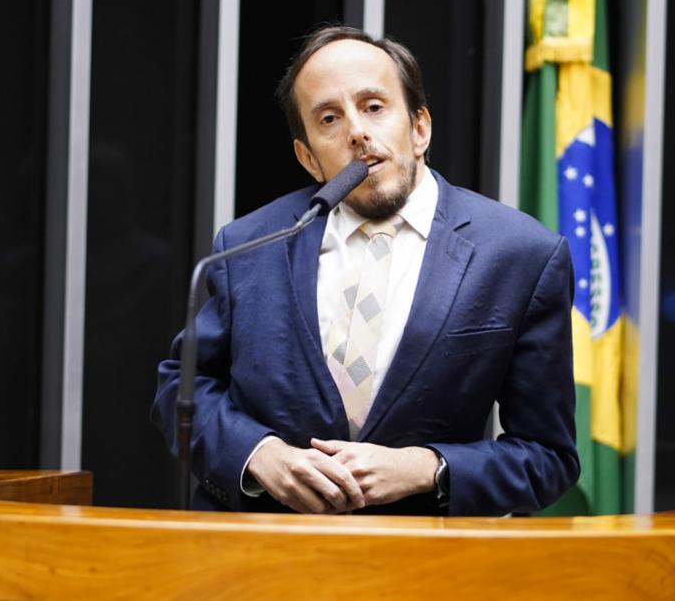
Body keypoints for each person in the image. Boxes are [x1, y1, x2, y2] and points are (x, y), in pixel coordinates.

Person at [152, 25, 578, 517]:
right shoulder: (249, 244)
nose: (357, 132)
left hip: (422, 568)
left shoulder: (520, 254)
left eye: (374, 107)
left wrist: (427, 469)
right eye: (329, 118)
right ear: (309, 157)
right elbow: (181, 391)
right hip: (262, 558)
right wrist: (258, 456)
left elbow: (548, 456)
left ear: (419, 129)